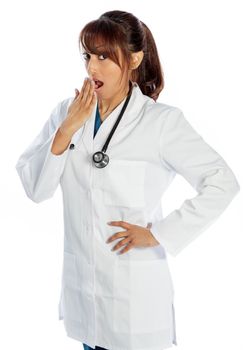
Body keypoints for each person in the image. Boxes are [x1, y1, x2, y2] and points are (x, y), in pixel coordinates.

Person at [15, 10, 240, 350]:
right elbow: (35, 189)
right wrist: (66, 130)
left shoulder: (161, 123)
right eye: (88, 56)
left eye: (104, 57)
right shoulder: (67, 112)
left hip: (136, 306)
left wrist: (158, 234)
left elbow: (222, 181)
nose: (92, 68)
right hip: (86, 298)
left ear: (134, 58)